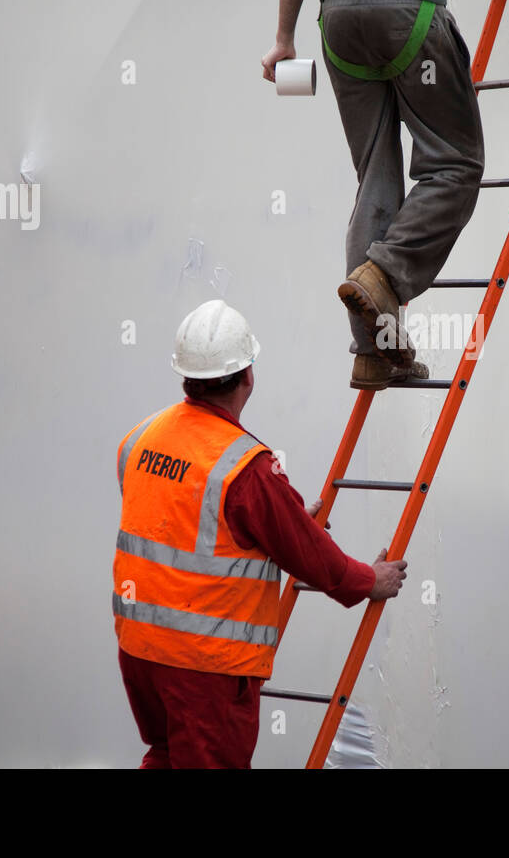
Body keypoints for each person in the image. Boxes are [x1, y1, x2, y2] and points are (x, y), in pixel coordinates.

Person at [112, 299, 408, 768]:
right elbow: (312, 558)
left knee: (166, 755)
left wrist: (282, 519)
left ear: (186, 376)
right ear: (247, 375)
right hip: (204, 664)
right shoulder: (247, 467)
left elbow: (187, 521)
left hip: (141, 652)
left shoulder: (142, 436)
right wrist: (369, 581)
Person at [262, 0, 485, 391]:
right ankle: (384, 273)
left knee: (375, 178)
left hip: (339, 20)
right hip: (406, 8)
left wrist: (283, 38)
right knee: (455, 164)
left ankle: (374, 353)